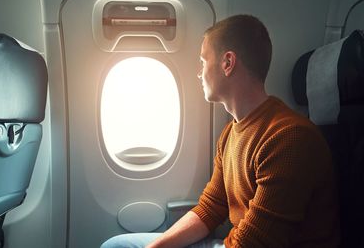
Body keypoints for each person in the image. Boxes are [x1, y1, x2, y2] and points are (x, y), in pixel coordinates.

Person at [101, 14, 340, 248]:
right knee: (118, 245)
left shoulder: (289, 138)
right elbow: (211, 207)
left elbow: (257, 242)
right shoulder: (230, 134)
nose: (199, 72)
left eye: (203, 61)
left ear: (227, 63)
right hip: (236, 242)